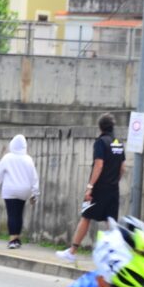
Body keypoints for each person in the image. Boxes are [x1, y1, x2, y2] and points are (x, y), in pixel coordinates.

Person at [56, 114, 125, 265]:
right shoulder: (118, 143)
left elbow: (98, 165)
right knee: (111, 221)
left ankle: (72, 251)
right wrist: (114, 181)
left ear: (100, 127)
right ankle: (117, 256)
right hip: (113, 189)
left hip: (99, 188)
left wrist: (90, 187)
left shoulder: (101, 142)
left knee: (86, 216)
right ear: (112, 127)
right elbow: (122, 167)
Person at [0, 134, 40, 249]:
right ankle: (17, 238)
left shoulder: (7, 158)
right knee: (19, 214)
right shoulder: (28, 159)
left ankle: (12, 240)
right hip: (24, 190)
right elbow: (34, 177)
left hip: (10, 190)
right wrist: (35, 193)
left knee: (12, 214)